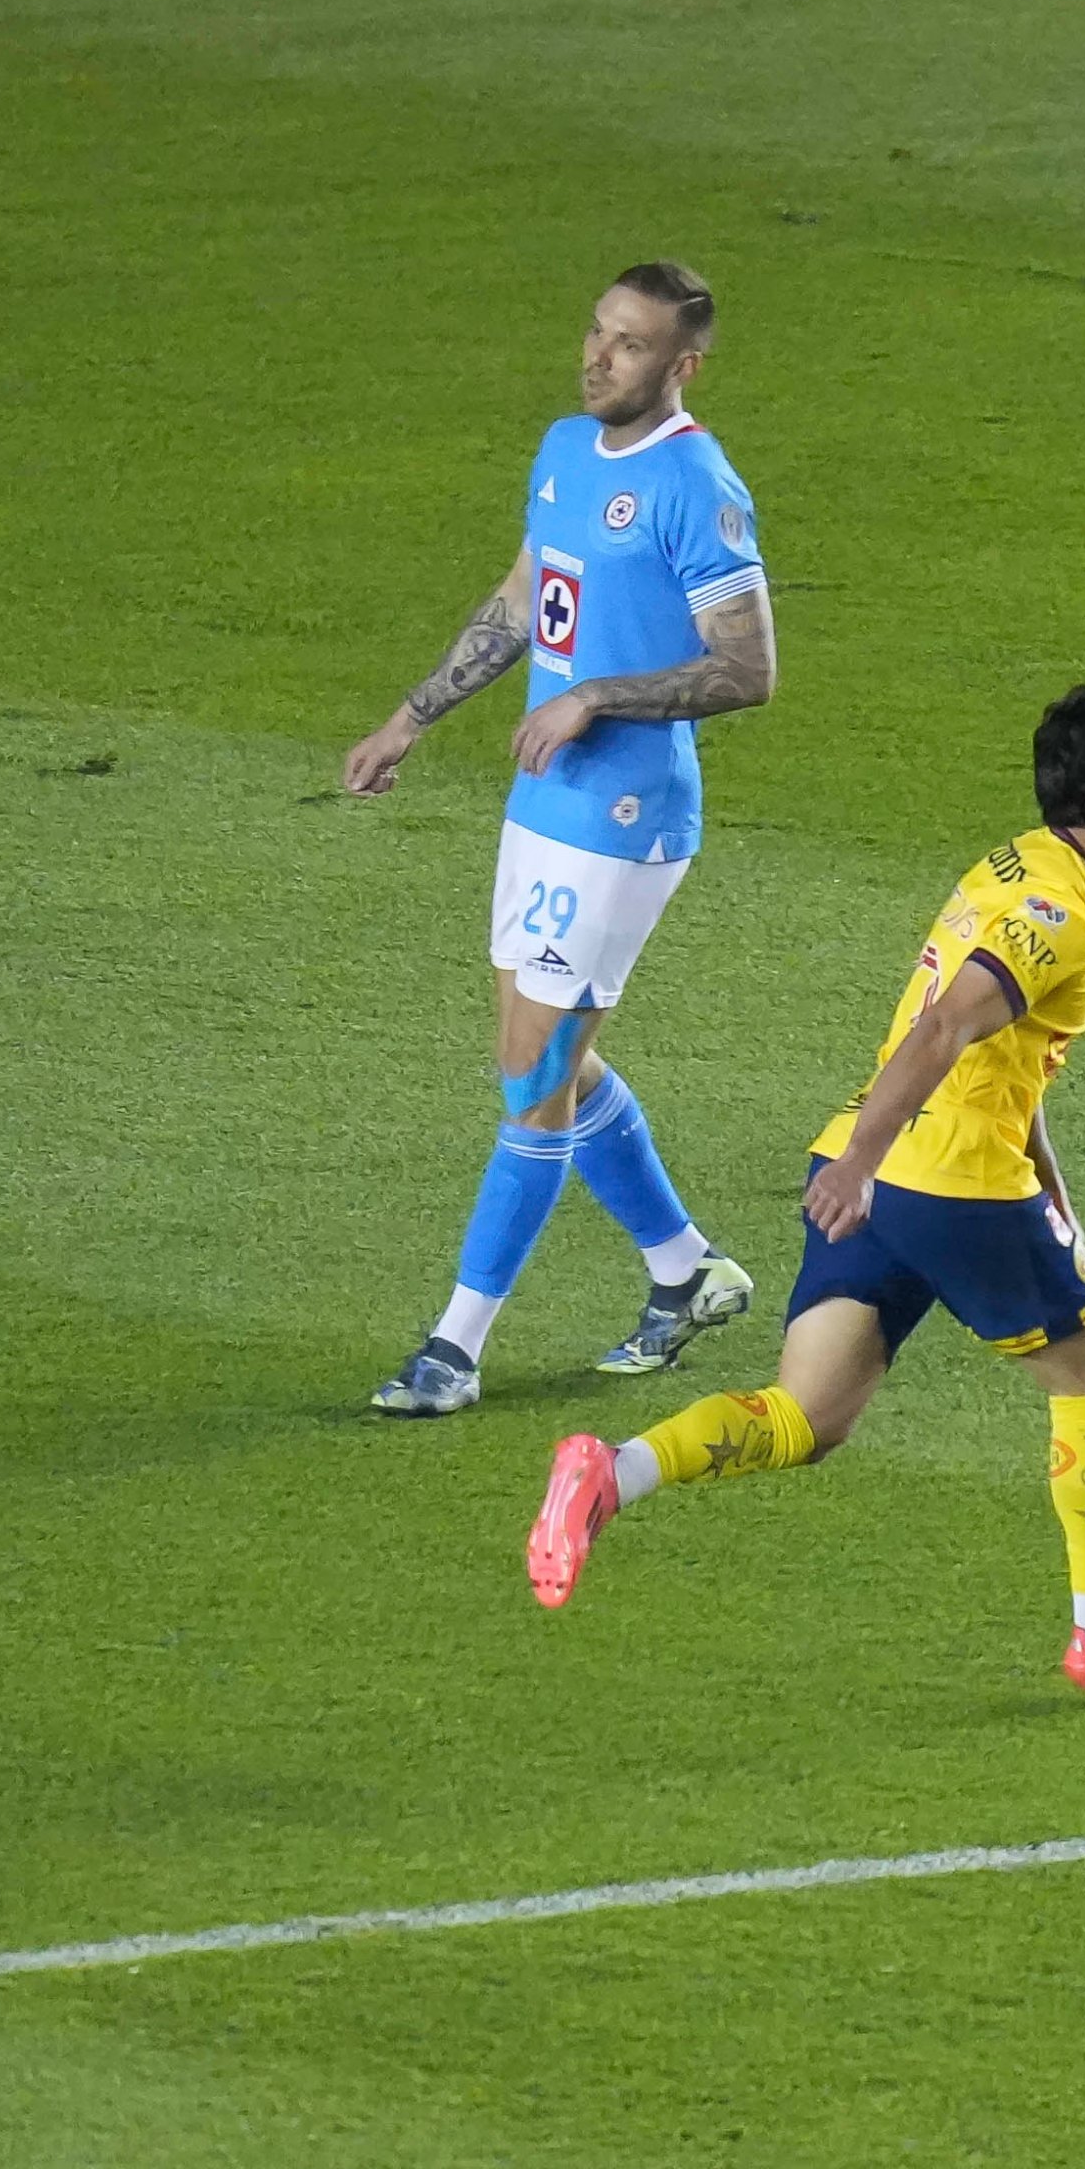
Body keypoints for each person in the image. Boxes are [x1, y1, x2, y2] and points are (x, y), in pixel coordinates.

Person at [521, 683, 1085, 1689]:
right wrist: (864, 1168)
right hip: (945, 1181)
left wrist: (1031, 1184)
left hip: (885, 1164)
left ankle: (610, 1473)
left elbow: (1005, 1063)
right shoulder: (1062, 915)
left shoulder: (1017, 863)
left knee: (807, 1415)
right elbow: (945, 1031)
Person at [344, 261, 777, 1416]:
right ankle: (685, 1270)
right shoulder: (563, 450)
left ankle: (452, 1349)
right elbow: (525, 595)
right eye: (595, 331)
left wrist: (595, 699)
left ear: (682, 366)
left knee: (533, 1081)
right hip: (543, 806)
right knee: (542, 1060)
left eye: (629, 345)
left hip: (626, 812)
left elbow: (748, 670)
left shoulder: (697, 484)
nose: (597, 356)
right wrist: (410, 719)